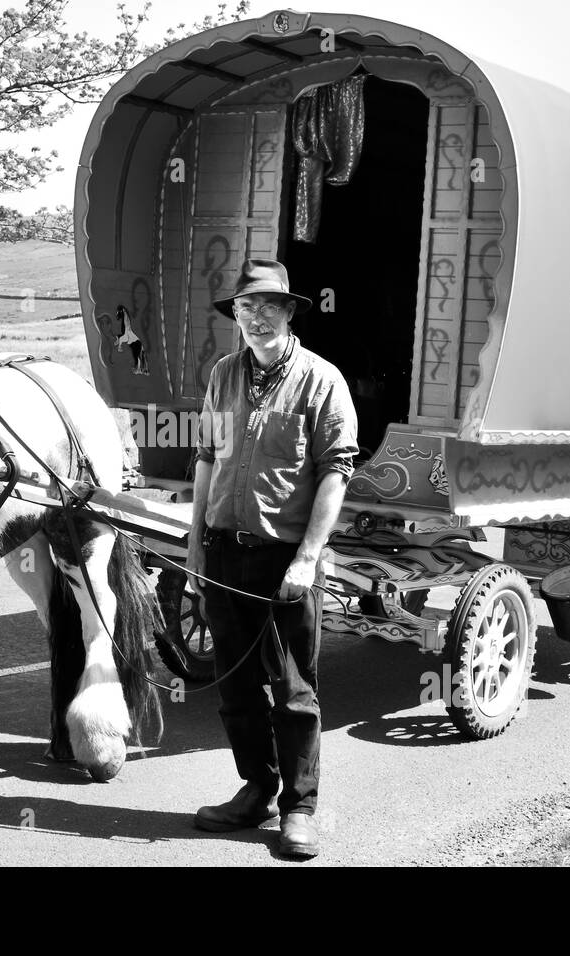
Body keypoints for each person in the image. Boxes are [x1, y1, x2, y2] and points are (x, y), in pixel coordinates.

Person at [187, 258, 358, 859]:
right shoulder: (223, 374)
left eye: (268, 307)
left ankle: (300, 809)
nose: (256, 318)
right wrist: (195, 546)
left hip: (285, 560)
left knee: (292, 690)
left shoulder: (321, 381)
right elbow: (207, 459)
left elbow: (335, 473)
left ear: (288, 312)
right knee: (234, 686)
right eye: (245, 307)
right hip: (224, 552)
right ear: (234, 315)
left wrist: (308, 558)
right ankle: (256, 788)